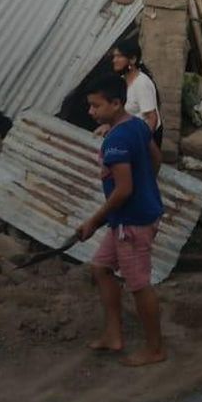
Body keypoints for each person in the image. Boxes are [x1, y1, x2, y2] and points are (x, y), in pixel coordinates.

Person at [80, 75, 165, 367]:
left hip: (132, 223)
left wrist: (92, 221)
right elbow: (156, 159)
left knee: (139, 285)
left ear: (116, 103)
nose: (91, 112)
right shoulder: (138, 126)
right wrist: (147, 186)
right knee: (101, 267)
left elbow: (124, 189)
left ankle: (155, 349)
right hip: (130, 218)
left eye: (96, 106)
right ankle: (113, 335)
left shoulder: (116, 139)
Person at [109, 39, 163, 148]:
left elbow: (152, 118)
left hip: (143, 138)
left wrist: (140, 143)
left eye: (119, 56)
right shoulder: (122, 80)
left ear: (132, 59)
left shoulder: (142, 83)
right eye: (114, 56)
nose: (114, 60)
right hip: (128, 133)